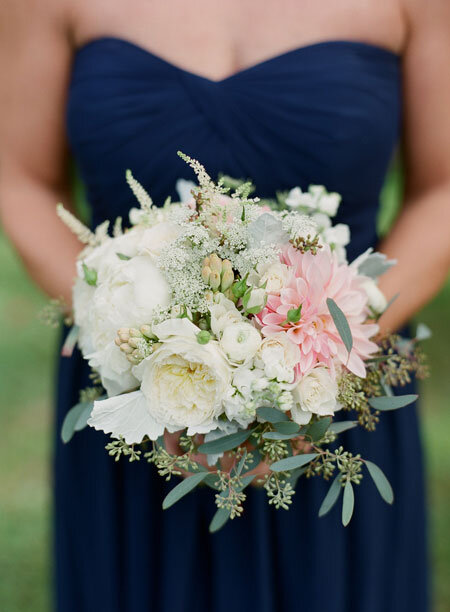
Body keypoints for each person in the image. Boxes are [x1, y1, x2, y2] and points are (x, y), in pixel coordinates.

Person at [1, 1, 449, 610]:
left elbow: (443, 188)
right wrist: (135, 341)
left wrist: (317, 353)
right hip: (135, 404)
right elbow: (18, 174)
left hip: (334, 391)